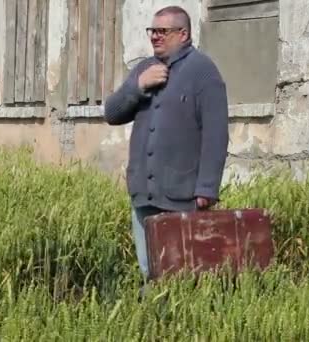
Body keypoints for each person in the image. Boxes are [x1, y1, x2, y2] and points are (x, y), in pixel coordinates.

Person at [103, 6, 230, 280]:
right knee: (150, 270)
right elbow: (111, 114)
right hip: (143, 193)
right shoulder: (145, 68)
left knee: (184, 271)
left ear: (183, 34)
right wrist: (138, 86)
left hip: (183, 196)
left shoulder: (204, 72)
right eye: (153, 31)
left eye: (163, 31)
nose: (155, 37)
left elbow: (216, 134)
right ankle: (154, 320)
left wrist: (207, 187)